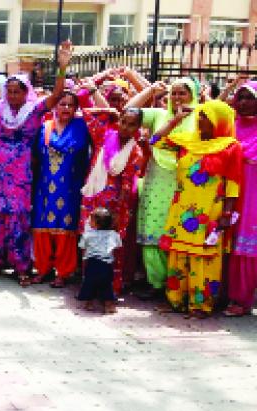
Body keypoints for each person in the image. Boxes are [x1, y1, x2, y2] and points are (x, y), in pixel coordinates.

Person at [0, 38, 73, 286]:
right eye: (10, 91)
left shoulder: (35, 110)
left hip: (21, 172)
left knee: (18, 218)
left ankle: (21, 267)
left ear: (26, 92)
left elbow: (57, 95)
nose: (13, 95)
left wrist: (62, 67)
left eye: (18, 91)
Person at [159, 100, 242, 319]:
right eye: (200, 115)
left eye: (206, 116)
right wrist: (176, 119)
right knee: (178, 256)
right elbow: (155, 140)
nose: (200, 119)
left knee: (203, 260)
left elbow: (233, 184)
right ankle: (176, 300)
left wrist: (226, 215)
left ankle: (200, 306)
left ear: (220, 121)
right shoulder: (187, 142)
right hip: (181, 208)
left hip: (209, 212)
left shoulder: (230, 146)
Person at [126, 78, 199, 299]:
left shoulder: (200, 117)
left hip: (186, 182)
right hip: (157, 179)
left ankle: (176, 285)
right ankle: (156, 283)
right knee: (152, 232)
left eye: (182, 93)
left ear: (192, 95)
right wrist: (150, 90)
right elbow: (130, 110)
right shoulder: (158, 115)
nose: (176, 98)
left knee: (178, 233)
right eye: (173, 93)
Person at [80, 108, 145, 294]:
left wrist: (118, 213)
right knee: (90, 243)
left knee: (112, 248)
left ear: (138, 127)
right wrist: (108, 110)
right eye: (123, 121)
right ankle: (89, 287)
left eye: (131, 124)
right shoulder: (105, 136)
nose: (125, 127)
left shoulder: (135, 152)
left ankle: (110, 288)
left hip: (115, 206)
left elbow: (126, 184)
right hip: (93, 198)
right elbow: (86, 113)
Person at [31, 91, 91, 288]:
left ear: (76, 108)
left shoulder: (82, 127)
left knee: (65, 228)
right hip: (44, 186)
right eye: (62, 104)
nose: (65, 108)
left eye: (70, 105)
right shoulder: (44, 128)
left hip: (70, 187)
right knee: (41, 226)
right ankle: (42, 268)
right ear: (55, 106)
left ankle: (63, 272)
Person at [227, 81, 257, 316]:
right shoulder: (230, 128)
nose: (244, 102)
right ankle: (232, 295)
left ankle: (243, 299)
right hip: (231, 193)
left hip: (253, 197)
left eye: (250, 97)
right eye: (241, 97)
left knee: (248, 247)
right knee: (231, 243)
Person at [77, 207, 122, 314]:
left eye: (91, 220)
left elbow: (83, 248)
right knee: (107, 284)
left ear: (97, 223)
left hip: (92, 262)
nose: (88, 221)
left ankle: (89, 302)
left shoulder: (87, 235)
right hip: (106, 264)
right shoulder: (114, 235)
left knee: (89, 282)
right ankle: (109, 305)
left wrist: (84, 261)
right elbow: (117, 248)